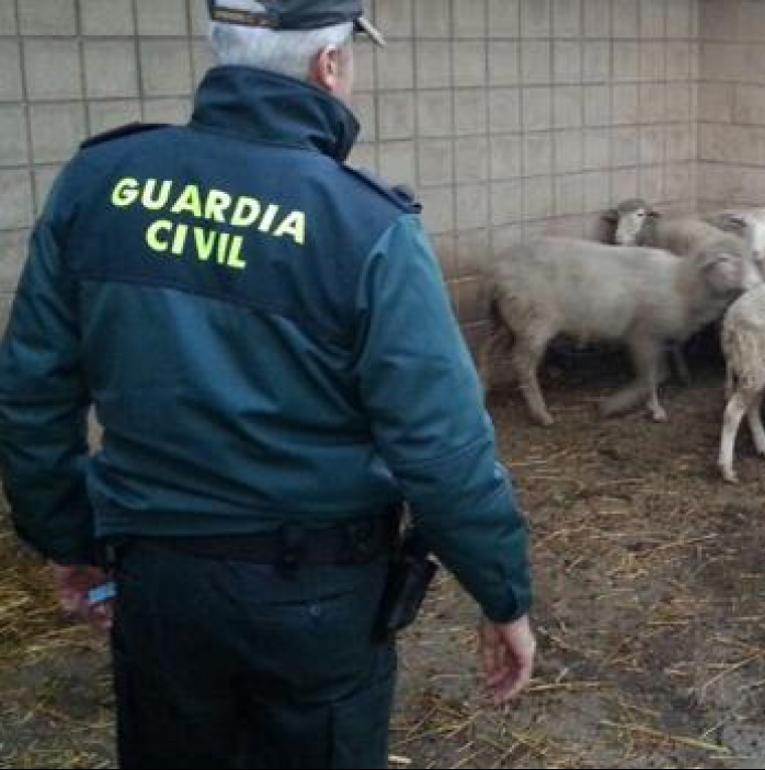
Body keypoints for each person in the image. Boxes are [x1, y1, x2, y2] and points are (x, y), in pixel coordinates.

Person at [0, 1, 534, 767]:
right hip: (315, 598)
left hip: (158, 581)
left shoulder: (99, 181)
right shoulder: (366, 228)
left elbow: (32, 391)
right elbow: (443, 446)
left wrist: (67, 537)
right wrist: (503, 593)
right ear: (329, 66)